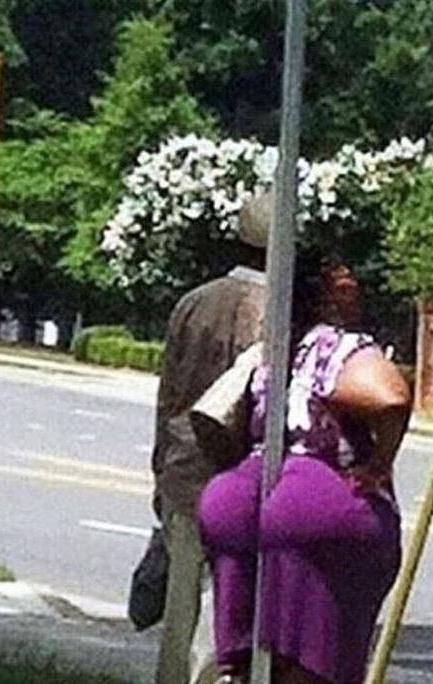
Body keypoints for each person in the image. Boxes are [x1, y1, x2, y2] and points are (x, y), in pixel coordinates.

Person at [198, 249, 412, 684]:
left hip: (241, 500)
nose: (356, 286)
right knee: (312, 665)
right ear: (328, 293)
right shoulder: (337, 345)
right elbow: (390, 398)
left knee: (252, 665)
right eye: (345, 277)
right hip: (316, 503)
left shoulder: (274, 349)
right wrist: (380, 462)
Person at [153, 193, 271, 684]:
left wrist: (161, 476)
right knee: (227, 617)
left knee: (182, 619)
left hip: (186, 476)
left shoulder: (194, 302)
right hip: (247, 486)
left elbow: (170, 397)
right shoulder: (279, 312)